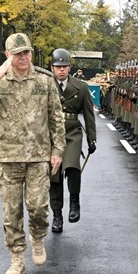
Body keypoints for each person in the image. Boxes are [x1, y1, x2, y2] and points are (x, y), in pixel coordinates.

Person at [0, 33, 66, 274]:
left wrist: (57, 151)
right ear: (8, 56)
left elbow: (56, 117)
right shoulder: (0, 81)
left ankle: (37, 238)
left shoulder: (44, 81)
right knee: (11, 212)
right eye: (17, 54)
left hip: (38, 156)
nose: (23, 57)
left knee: (37, 207)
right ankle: (16, 260)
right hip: (8, 157)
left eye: (26, 52)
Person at [49, 48, 97, 233]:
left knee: (72, 167)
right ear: (52, 68)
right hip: (51, 133)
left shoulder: (81, 87)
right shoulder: (46, 85)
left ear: (70, 67)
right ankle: (57, 216)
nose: (61, 70)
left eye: (65, 66)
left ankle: (75, 203)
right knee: (54, 175)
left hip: (72, 132)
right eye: (58, 66)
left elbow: (88, 115)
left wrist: (92, 139)